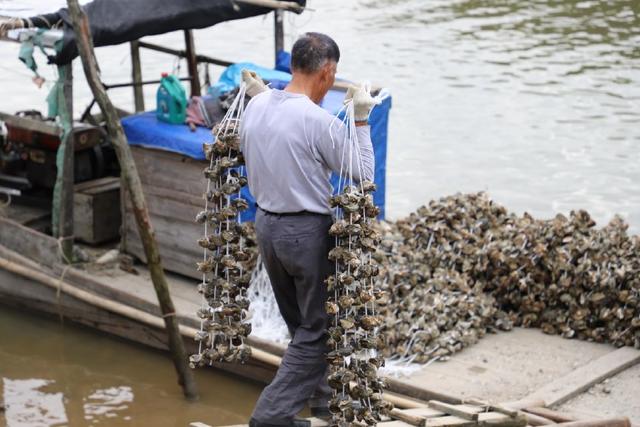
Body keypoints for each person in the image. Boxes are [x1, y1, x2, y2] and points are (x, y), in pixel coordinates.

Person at [240, 32, 380, 427]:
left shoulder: (257, 105)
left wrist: (258, 93)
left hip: (266, 227)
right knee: (318, 332)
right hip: (305, 234)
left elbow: (269, 124)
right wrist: (362, 117)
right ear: (328, 72)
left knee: (301, 326)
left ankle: (323, 409)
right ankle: (271, 416)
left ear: (293, 66)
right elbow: (364, 174)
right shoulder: (316, 120)